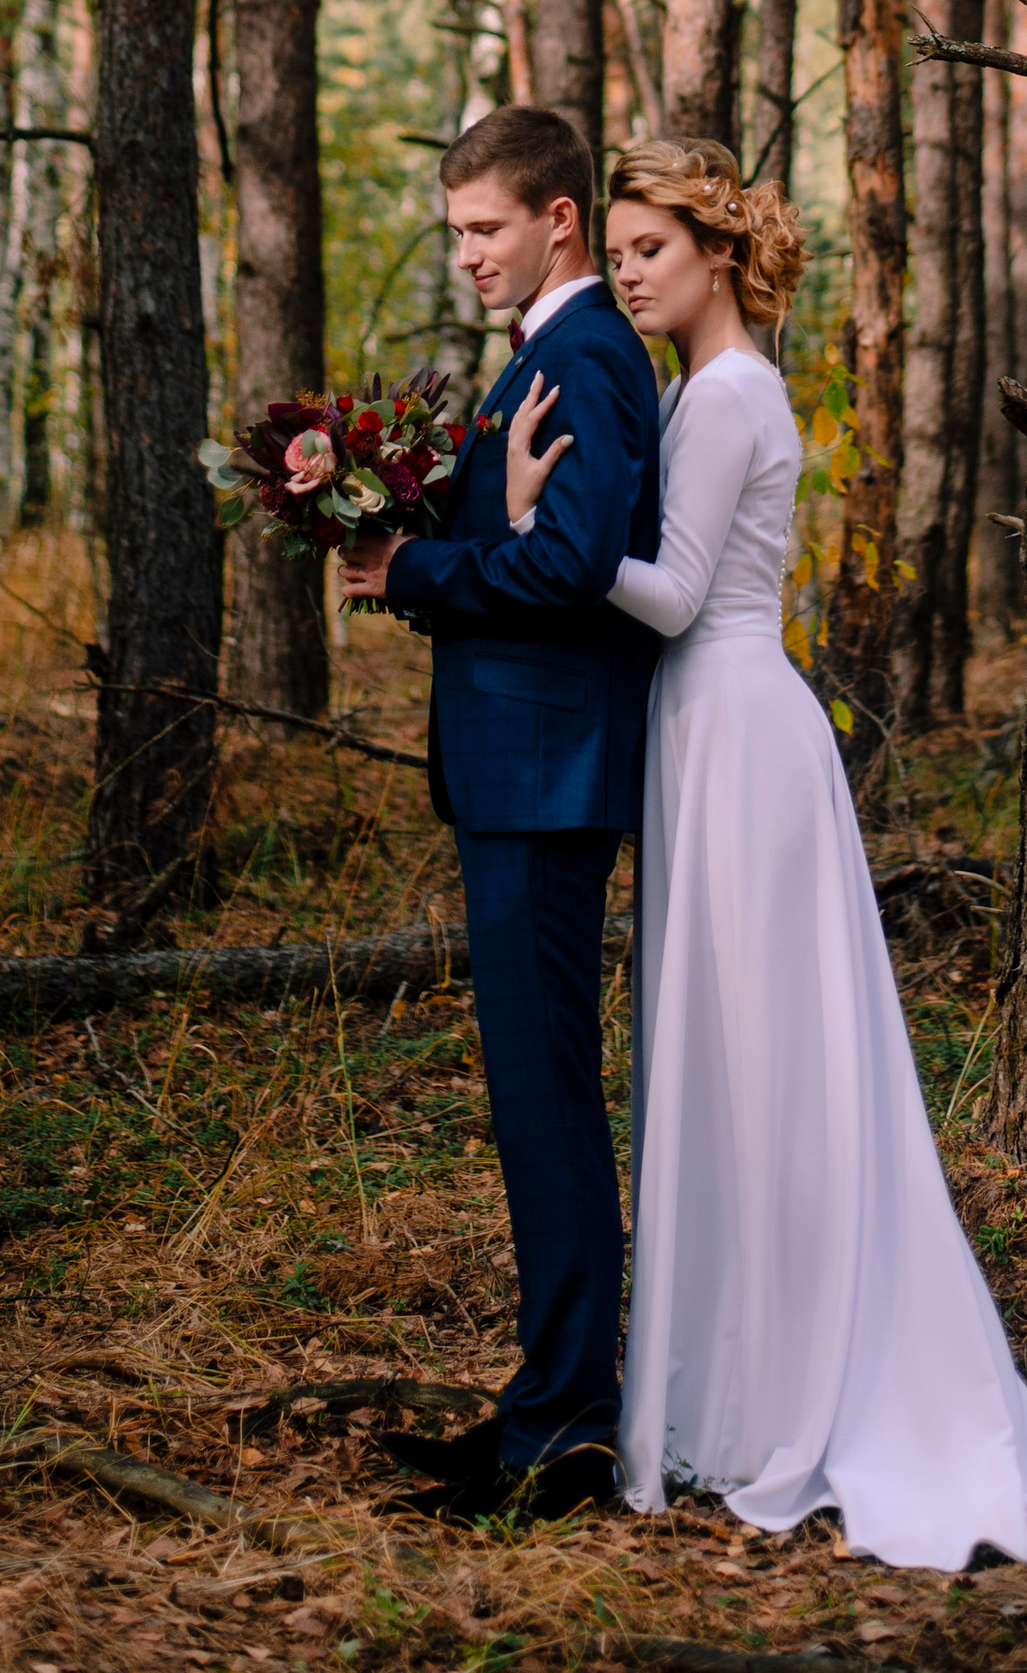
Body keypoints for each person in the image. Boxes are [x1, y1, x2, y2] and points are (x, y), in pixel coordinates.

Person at [505, 135, 1027, 1574]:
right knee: (743, 1062)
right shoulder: (705, 386)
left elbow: (672, 593)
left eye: (651, 250)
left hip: (734, 723)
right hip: (720, 729)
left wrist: (538, 521)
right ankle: (759, 1372)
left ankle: (798, 1387)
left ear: (718, 255)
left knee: (763, 1062)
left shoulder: (727, 393)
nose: (630, 273)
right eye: (624, 250)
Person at [337, 104, 663, 1520]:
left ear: (559, 220)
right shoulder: (545, 352)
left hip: (548, 777)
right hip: (517, 770)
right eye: (456, 228)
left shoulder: (588, 353)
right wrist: (432, 531)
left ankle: (568, 1429)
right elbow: (516, 547)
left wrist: (416, 567)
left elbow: (576, 568)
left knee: (550, 1107)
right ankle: (547, 1405)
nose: (465, 252)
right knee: (535, 1107)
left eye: (485, 227)